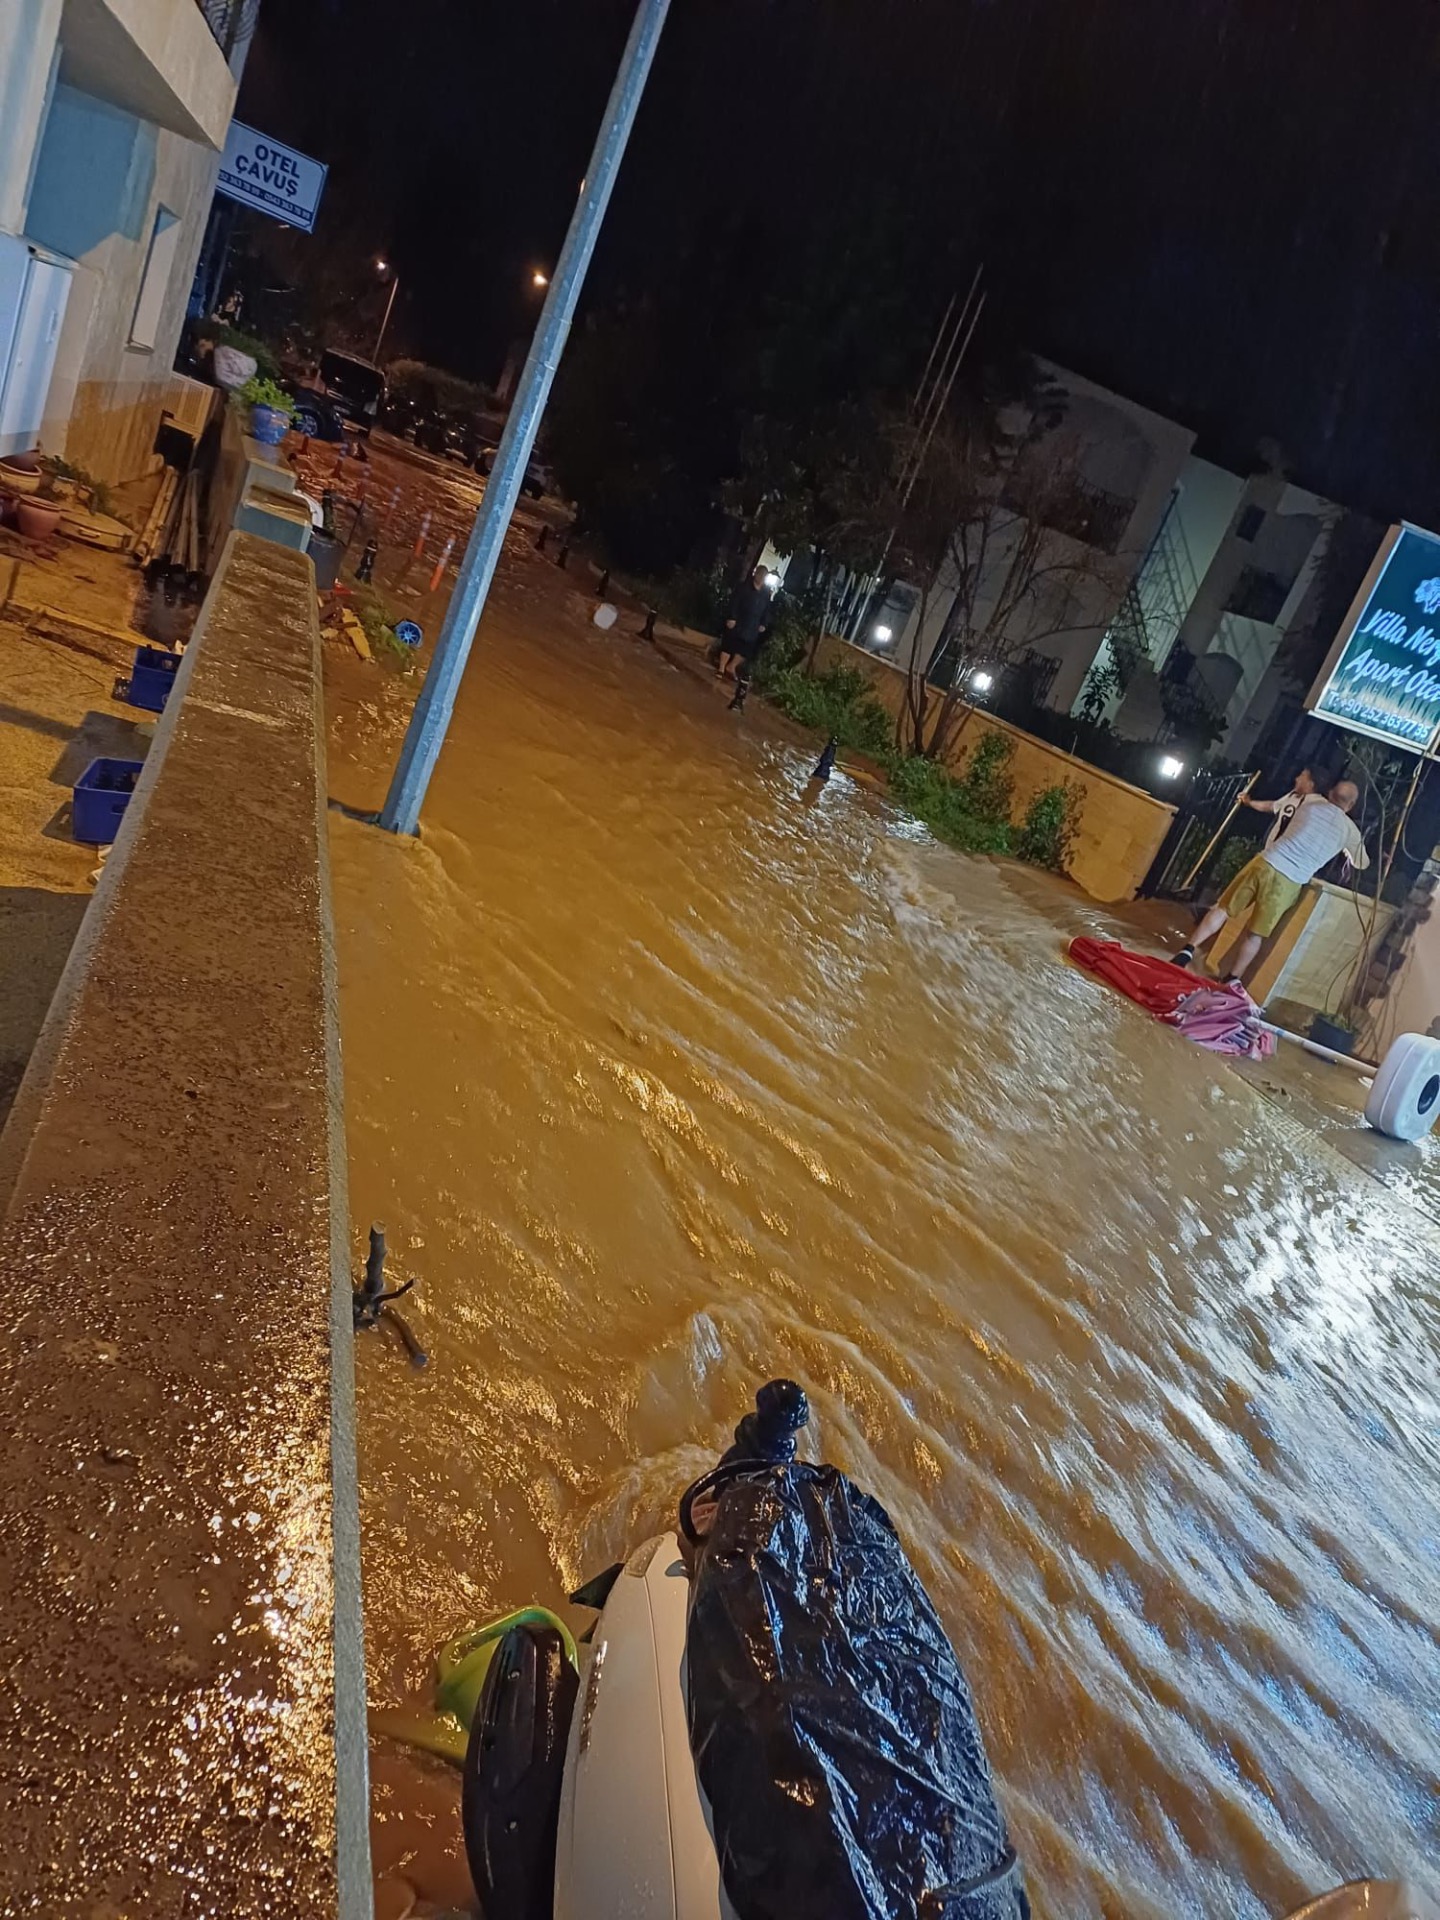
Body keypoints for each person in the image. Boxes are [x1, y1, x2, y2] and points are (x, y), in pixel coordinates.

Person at [1173, 778, 1370, 987]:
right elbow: (1362, 863)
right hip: (1290, 881)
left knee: (1223, 908)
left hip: (1266, 862)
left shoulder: (1310, 803)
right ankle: (1231, 980)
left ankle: (1187, 951)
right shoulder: (1350, 831)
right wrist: (1345, 846)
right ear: (1351, 805)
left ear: (1330, 793)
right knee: (1256, 934)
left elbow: (1285, 803)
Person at [716, 565, 774, 680]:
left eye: (763, 576)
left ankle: (731, 667)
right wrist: (732, 617)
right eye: (759, 574)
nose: (761, 577)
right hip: (739, 620)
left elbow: (767, 609)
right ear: (755, 574)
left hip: (753, 624)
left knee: (744, 650)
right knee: (729, 644)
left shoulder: (766, 592)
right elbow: (734, 602)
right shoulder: (744, 587)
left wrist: (764, 623)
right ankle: (721, 669)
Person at [1240, 765, 1316, 846]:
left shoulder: (1313, 808)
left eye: (1302, 776)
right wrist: (1249, 802)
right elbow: (1272, 806)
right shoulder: (1293, 796)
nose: (1297, 779)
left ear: (1311, 784)